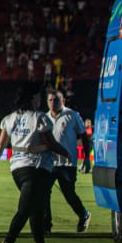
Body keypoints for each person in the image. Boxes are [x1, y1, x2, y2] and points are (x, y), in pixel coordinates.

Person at [0, 87, 71, 243]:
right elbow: (50, 142)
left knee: (35, 207)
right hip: (37, 167)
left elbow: (0, 145)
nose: (40, 101)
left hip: (17, 169)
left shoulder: (10, 118)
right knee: (26, 207)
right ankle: (8, 242)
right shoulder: (40, 118)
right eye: (38, 97)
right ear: (32, 99)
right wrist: (66, 153)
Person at [44, 89, 91, 233]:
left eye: (56, 100)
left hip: (67, 164)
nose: (53, 103)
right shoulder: (44, 118)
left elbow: (84, 137)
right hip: (49, 163)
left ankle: (83, 214)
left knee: (69, 194)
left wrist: (86, 159)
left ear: (63, 101)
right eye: (50, 100)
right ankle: (46, 226)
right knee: (44, 193)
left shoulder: (72, 115)